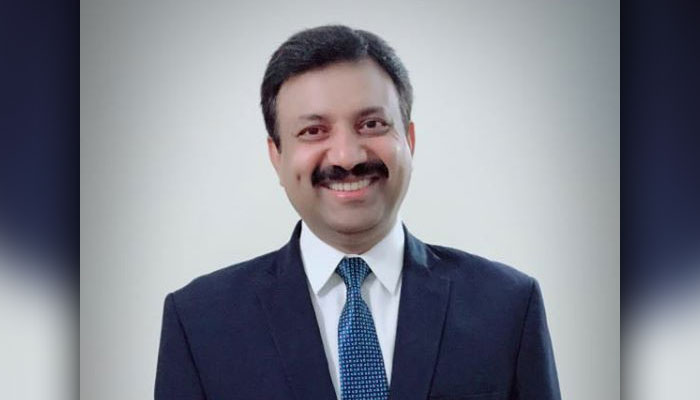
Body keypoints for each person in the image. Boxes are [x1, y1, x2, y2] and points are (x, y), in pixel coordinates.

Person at [155, 25, 561, 400]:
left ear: (409, 140)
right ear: (277, 156)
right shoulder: (199, 323)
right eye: (313, 131)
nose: (347, 156)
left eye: (371, 124)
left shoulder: (507, 306)